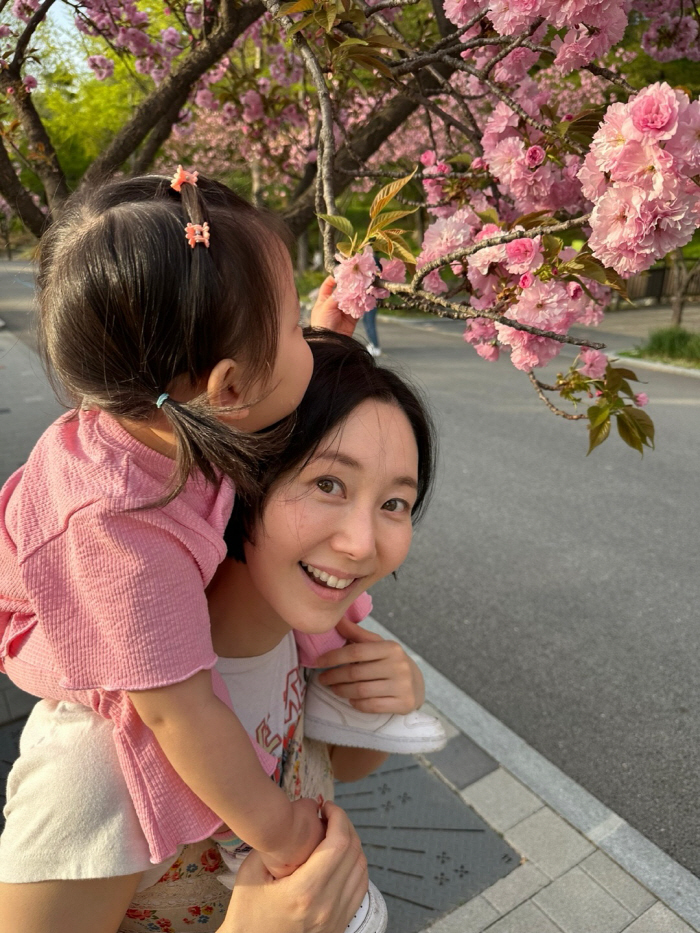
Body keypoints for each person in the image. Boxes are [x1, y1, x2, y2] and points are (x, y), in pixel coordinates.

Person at [0, 329, 439, 933]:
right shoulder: (94, 766)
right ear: (237, 475)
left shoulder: (291, 634)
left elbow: (331, 763)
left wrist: (386, 701)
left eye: (394, 503)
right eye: (328, 484)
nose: (364, 544)